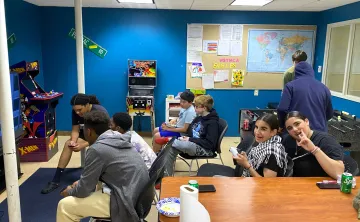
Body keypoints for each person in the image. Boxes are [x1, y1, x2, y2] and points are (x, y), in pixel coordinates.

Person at [57, 111, 149, 222]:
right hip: (140, 197)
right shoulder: (119, 137)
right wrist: (82, 182)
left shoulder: (96, 150)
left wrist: (69, 192)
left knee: (65, 206)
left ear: (89, 131)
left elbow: (83, 191)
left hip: (126, 203)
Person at [41, 93, 108, 194]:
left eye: (80, 110)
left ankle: (94, 178)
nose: (77, 112)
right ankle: (55, 180)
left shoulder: (100, 111)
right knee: (68, 144)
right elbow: (75, 130)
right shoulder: (75, 112)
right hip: (86, 133)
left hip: (101, 137)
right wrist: (73, 141)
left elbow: (103, 135)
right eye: (75, 110)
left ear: (87, 105)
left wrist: (83, 145)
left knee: (94, 148)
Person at [164, 95, 219, 176]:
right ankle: (166, 177)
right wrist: (184, 137)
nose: (194, 108)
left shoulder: (212, 123)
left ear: (204, 108)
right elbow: (190, 132)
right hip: (194, 143)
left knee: (184, 145)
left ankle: (169, 140)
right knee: (171, 149)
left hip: (206, 149)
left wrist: (190, 139)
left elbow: (209, 144)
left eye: (197, 106)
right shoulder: (199, 118)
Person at [282, 111, 344, 179]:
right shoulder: (287, 140)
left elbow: (339, 173)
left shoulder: (325, 140)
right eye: (289, 128)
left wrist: (314, 150)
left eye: (297, 124)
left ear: (306, 121)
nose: (295, 129)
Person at [277, 61, 333, 132]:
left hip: (297, 132)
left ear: (296, 73)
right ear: (311, 72)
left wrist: (281, 125)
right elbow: (329, 113)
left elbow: (282, 109)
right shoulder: (324, 88)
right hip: (319, 132)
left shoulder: (290, 86)